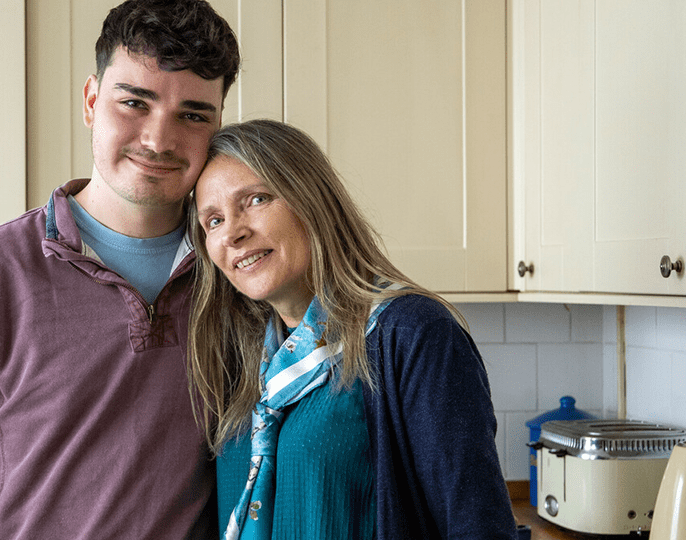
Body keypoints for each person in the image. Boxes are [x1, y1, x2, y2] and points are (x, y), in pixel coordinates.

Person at [0, 1, 239, 538]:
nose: (159, 139)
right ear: (92, 100)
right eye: (134, 102)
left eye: (193, 115)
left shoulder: (236, 272)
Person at [188, 119, 519, 539]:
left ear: (312, 201)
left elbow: (477, 525)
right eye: (213, 220)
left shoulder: (413, 334)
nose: (233, 232)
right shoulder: (244, 358)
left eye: (256, 199)